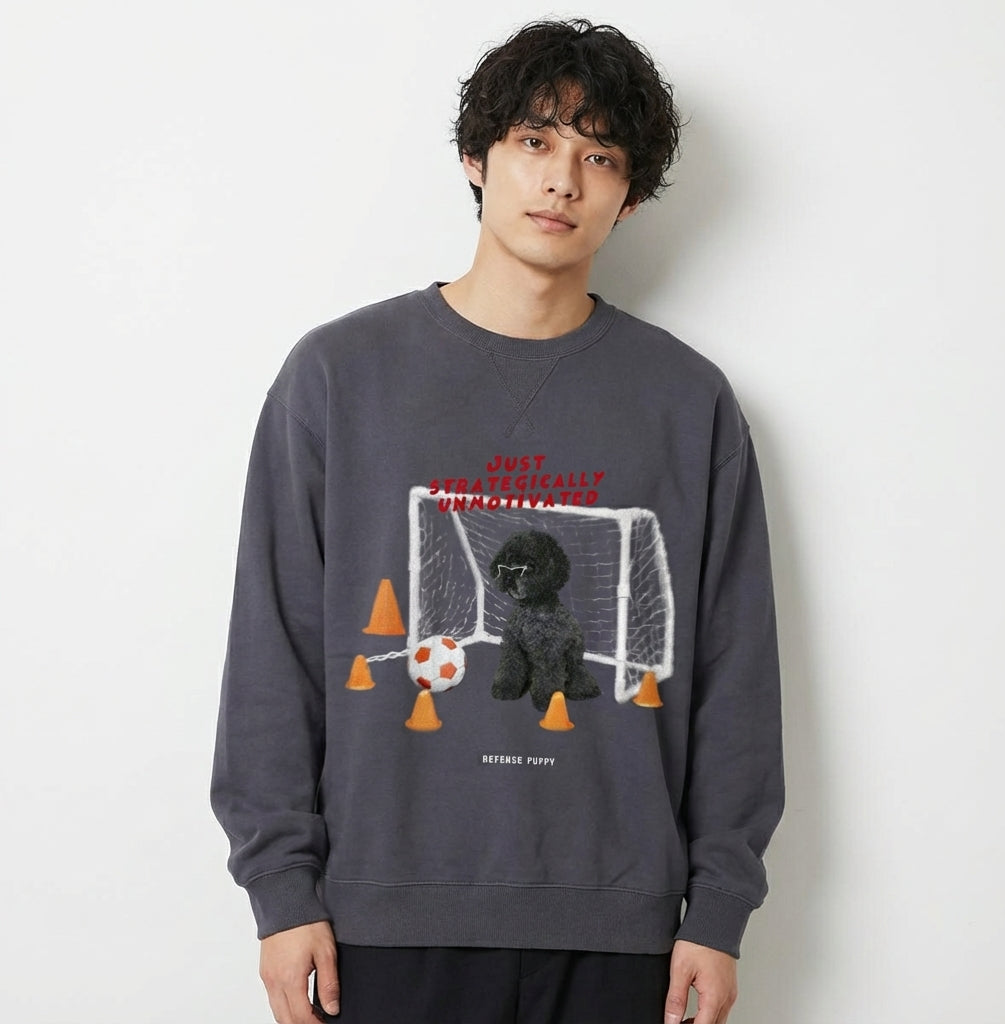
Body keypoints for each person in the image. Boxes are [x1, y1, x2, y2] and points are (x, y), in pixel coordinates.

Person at [211, 18, 784, 1024]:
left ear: (628, 196)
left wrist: (719, 908)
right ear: (476, 158)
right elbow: (275, 642)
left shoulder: (685, 401)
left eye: (598, 156)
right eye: (534, 141)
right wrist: (281, 890)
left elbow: (736, 667)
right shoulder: (340, 377)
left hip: (625, 930)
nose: (561, 180)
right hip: (380, 920)